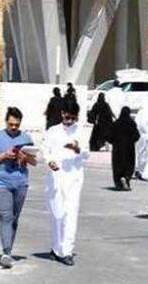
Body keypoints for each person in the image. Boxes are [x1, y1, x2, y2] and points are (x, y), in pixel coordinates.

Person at [0, 107, 37, 269]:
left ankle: (9, 250)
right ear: (6, 122)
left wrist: (24, 157)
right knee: (6, 216)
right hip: (1, 182)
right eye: (11, 124)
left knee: (14, 218)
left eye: (16, 125)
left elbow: (34, 162)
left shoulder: (26, 137)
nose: (14, 127)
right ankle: (6, 252)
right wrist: (4, 155)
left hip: (20, 182)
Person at [42, 99, 89, 266]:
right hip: (56, 178)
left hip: (74, 178)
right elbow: (45, 149)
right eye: (67, 117)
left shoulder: (81, 131)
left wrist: (78, 149)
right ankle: (56, 248)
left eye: (73, 118)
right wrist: (49, 161)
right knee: (57, 214)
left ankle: (67, 251)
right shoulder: (53, 131)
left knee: (70, 214)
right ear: (62, 114)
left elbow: (86, 154)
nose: (70, 121)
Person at [106, 107, 140, 190]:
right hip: (129, 148)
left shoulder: (116, 123)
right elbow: (137, 135)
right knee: (129, 164)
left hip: (117, 149)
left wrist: (114, 142)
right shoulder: (132, 123)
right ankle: (126, 178)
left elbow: (109, 136)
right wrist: (131, 141)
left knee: (117, 165)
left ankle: (119, 183)